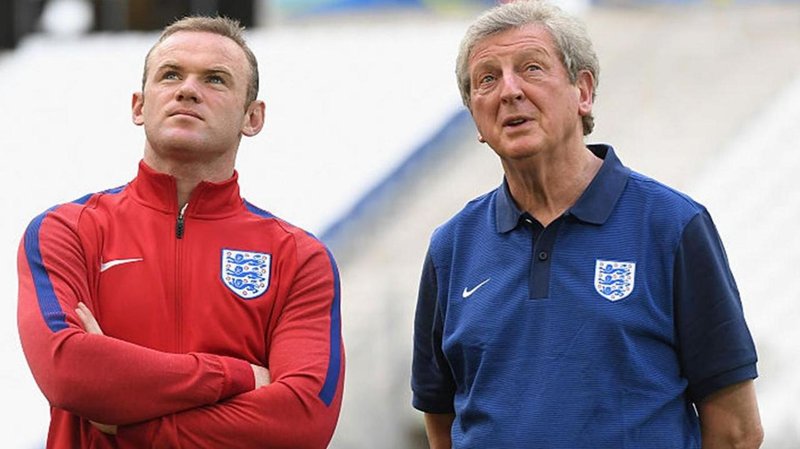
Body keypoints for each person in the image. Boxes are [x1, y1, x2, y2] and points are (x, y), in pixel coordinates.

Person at [411, 1, 763, 448]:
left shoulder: (673, 225)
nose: (510, 91)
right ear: (476, 119)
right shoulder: (451, 247)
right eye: (487, 79)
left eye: (532, 68)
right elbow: (441, 420)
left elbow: (735, 430)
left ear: (583, 91)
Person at [17, 16, 344, 449]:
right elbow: (69, 370)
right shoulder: (66, 231)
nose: (188, 89)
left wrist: (133, 426)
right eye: (171, 74)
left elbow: (304, 419)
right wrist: (239, 375)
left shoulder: (299, 257)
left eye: (215, 79)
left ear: (253, 117)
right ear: (139, 106)